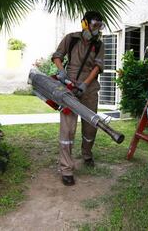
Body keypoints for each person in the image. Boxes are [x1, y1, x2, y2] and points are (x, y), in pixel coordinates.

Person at [52, 11, 105, 186]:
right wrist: (61, 71)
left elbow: (97, 66)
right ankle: (66, 169)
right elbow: (57, 56)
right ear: (85, 24)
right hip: (69, 88)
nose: (97, 29)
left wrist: (85, 84)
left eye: (99, 26)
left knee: (90, 126)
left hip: (89, 90)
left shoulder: (99, 45)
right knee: (67, 129)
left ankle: (87, 154)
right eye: (94, 25)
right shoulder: (71, 38)